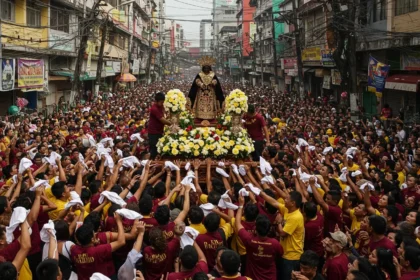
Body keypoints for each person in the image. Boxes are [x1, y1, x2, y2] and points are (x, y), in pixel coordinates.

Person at [188, 56, 225, 120]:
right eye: (205, 68)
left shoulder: (212, 74)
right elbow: (196, 81)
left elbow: (216, 82)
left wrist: (213, 82)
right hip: (201, 93)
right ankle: (200, 115)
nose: (206, 69)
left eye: (207, 68)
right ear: (203, 68)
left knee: (210, 104)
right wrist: (200, 84)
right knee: (201, 103)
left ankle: (211, 115)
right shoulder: (200, 74)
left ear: (209, 68)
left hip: (210, 92)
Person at [147, 92, 171, 159]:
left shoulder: (160, 106)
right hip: (153, 133)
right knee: (154, 151)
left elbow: (164, 114)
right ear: (156, 101)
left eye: (163, 102)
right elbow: (163, 120)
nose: (162, 104)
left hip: (159, 131)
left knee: (159, 150)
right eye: (161, 102)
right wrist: (173, 124)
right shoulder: (154, 109)